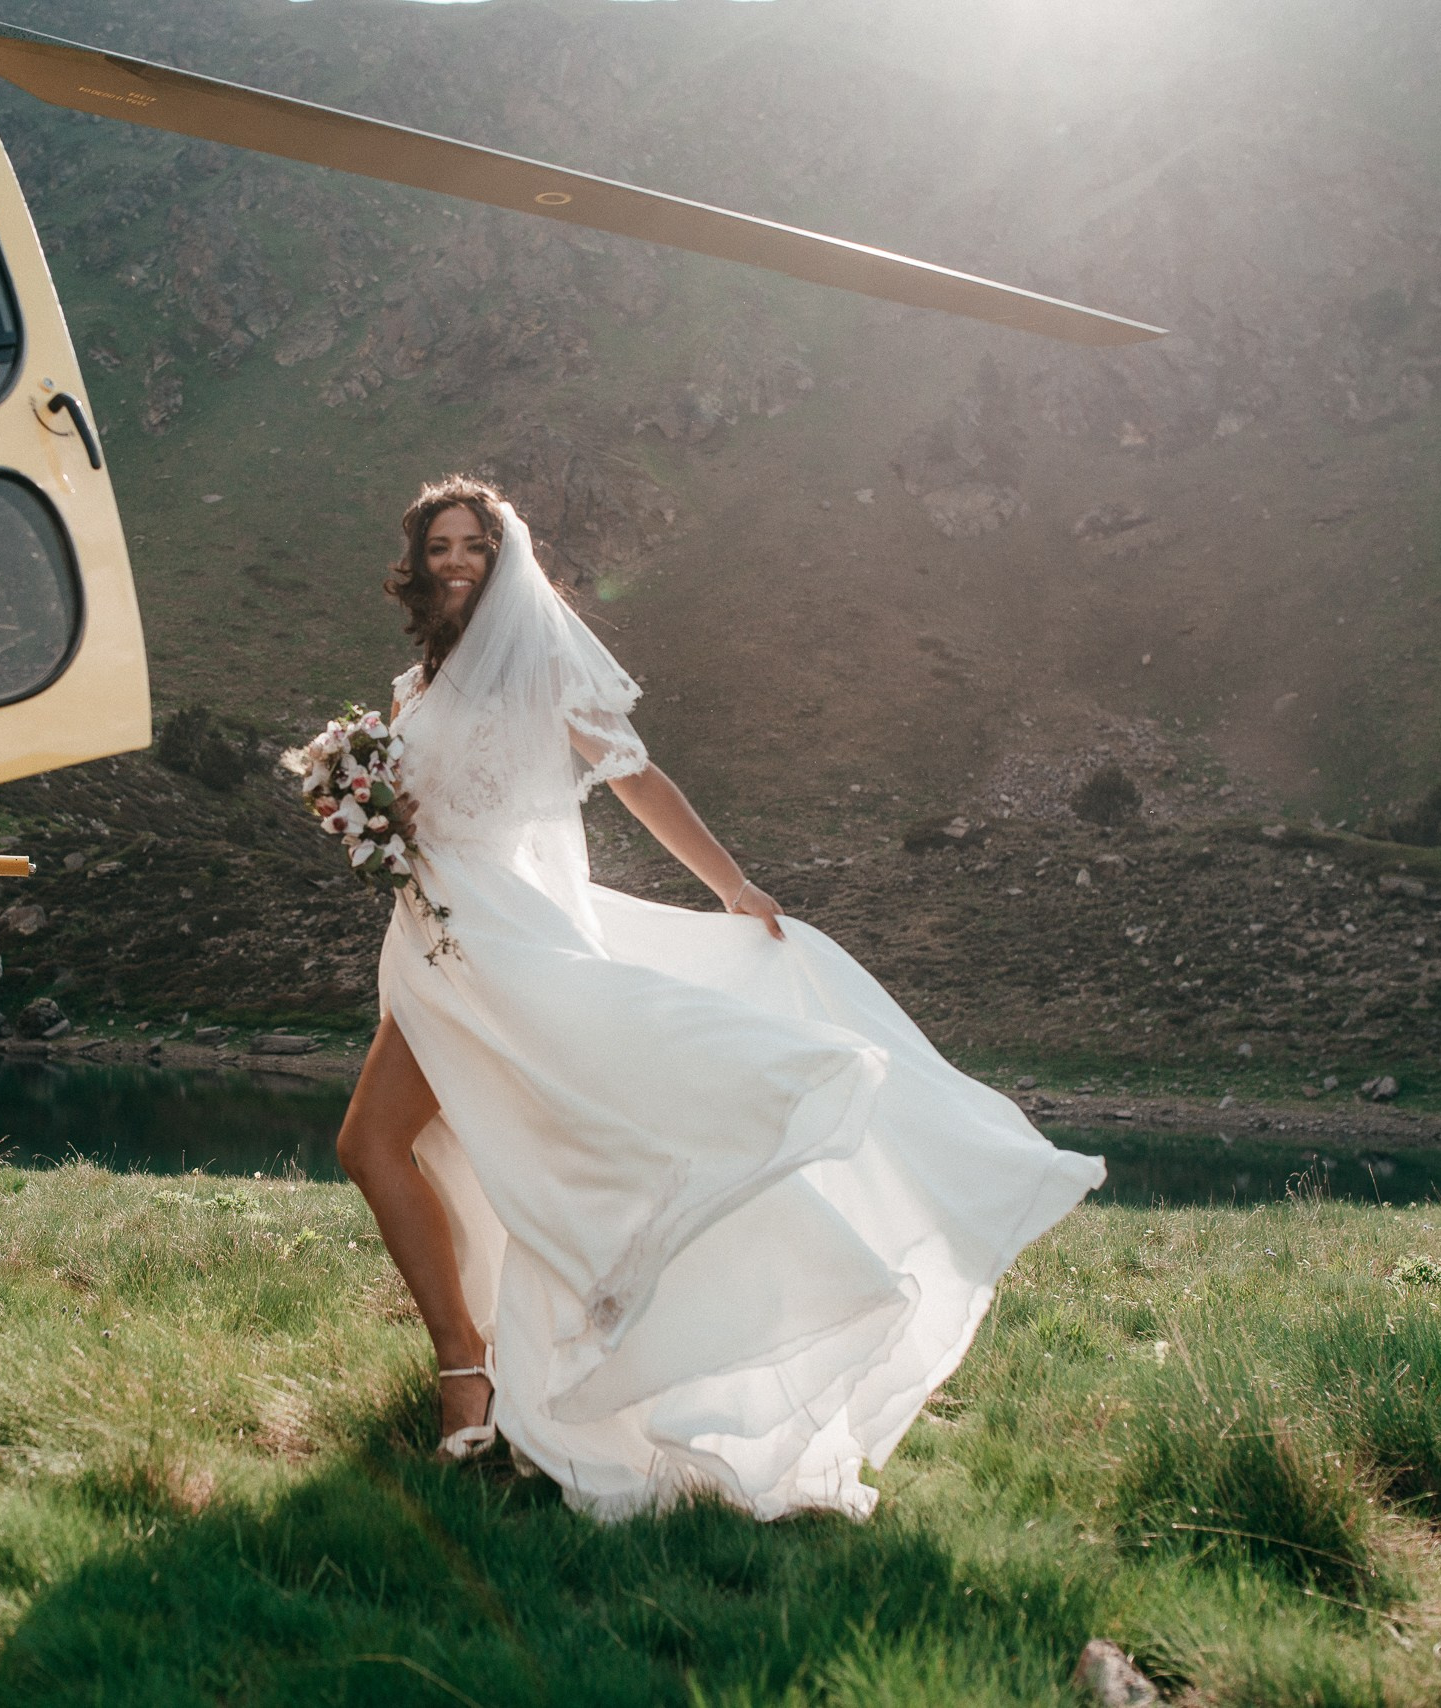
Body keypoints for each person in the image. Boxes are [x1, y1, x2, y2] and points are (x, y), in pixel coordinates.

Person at [334, 474, 1104, 1521]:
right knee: (439, 1148)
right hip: (427, 933)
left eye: (474, 542)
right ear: (417, 562)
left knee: (383, 1145)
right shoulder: (411, 688)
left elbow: (637, 779)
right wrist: (363, 810)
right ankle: (478, 1361)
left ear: (504, 556)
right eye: (439, 545)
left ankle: (468, 1371)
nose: (457, 559)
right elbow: (420, 811)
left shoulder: (543, 662)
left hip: (500, 942)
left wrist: (729, 883)